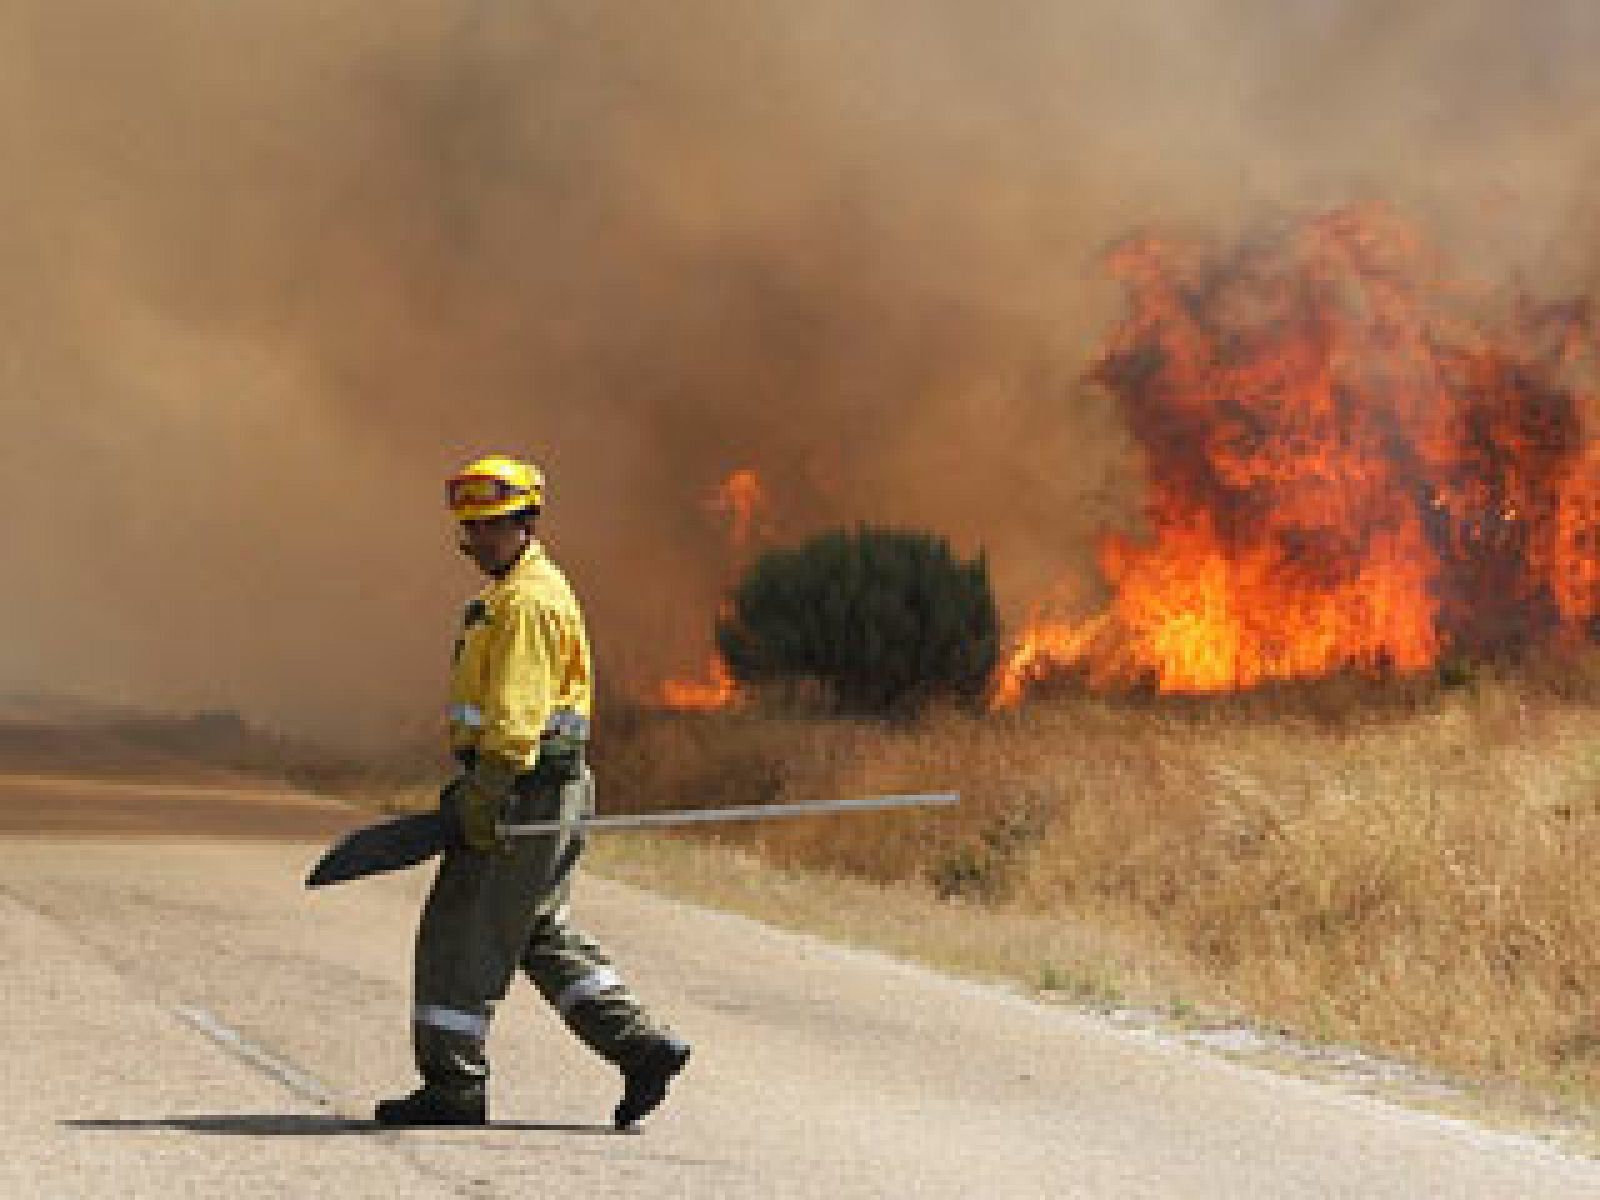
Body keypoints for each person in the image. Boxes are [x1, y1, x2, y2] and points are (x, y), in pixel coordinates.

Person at [375, 454, 690, 1130]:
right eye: (471, 529)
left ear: (527, 522)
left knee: (463, 935)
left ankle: (454, 1088)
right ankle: (641, 1048)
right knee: (535, 930)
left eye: (492, 527)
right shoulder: (525, 589)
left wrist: (485, 794)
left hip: (520, 791)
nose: (478, 541)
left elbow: (516, 719)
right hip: (544, 791)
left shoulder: (524, 602)